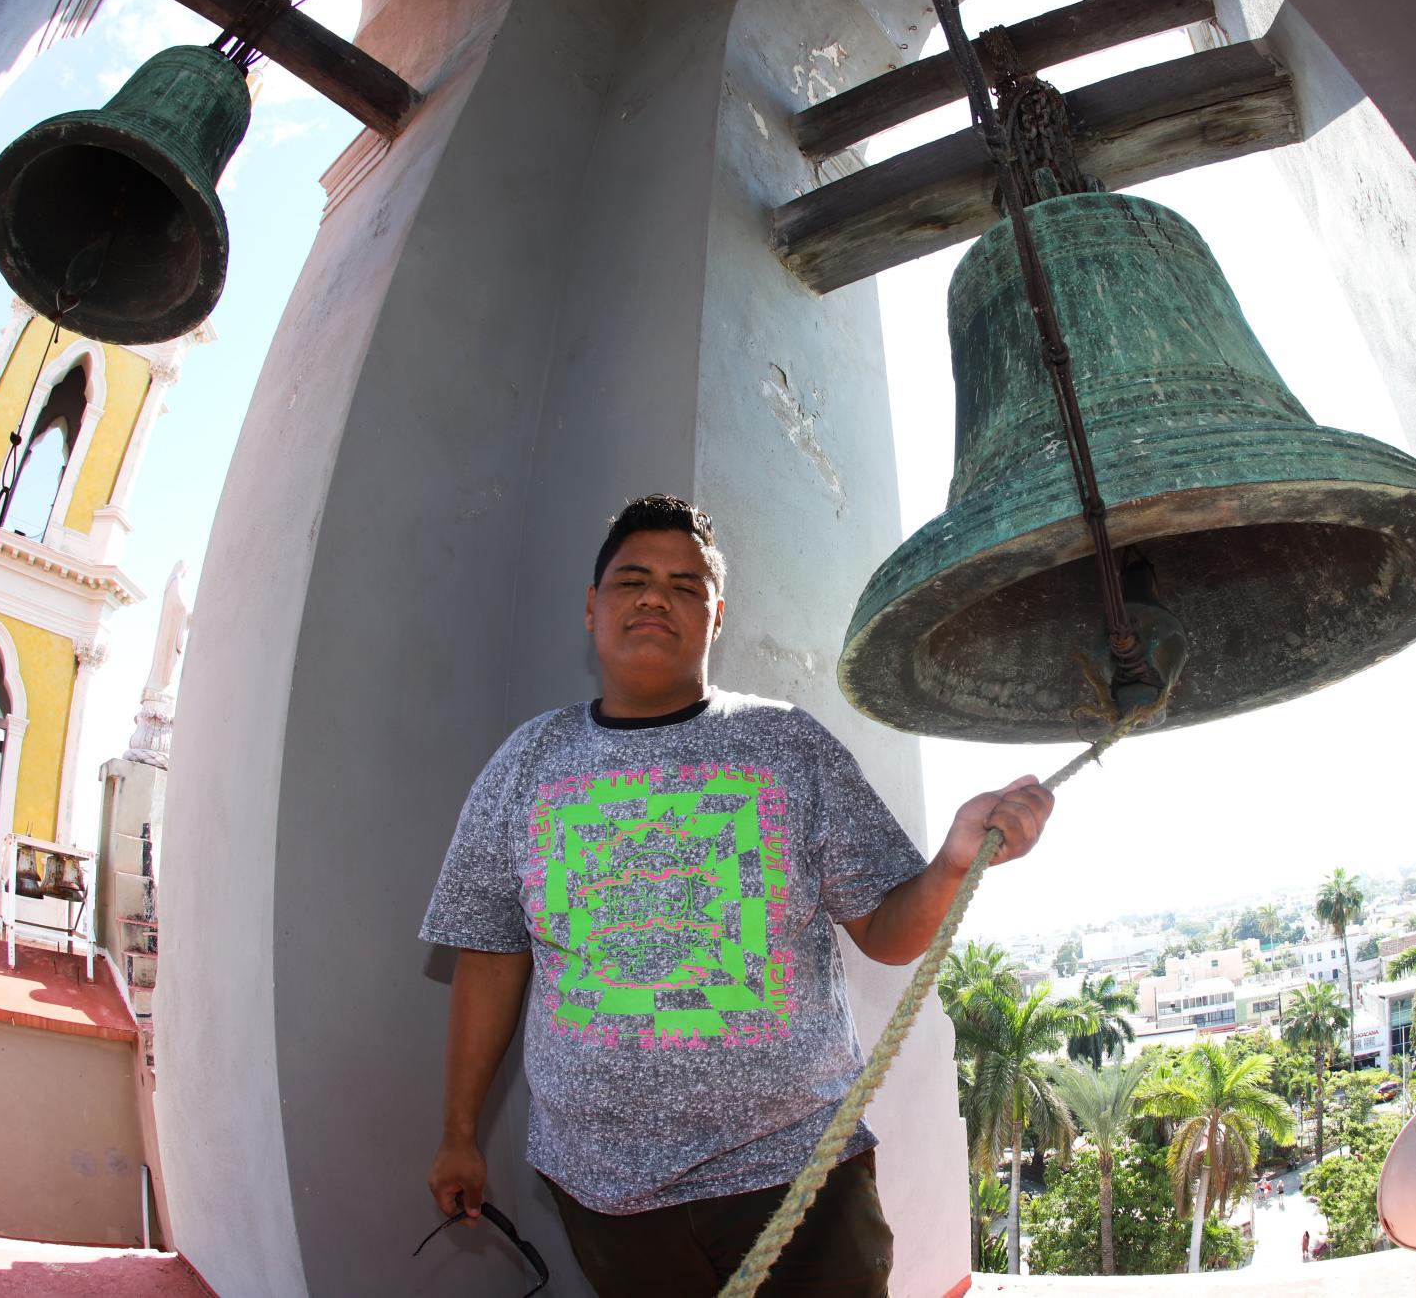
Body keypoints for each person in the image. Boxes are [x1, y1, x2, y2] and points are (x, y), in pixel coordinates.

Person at [422, 495, 1055, 1297]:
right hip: (604, 1195)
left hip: (797, 1182)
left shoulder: (788, 744)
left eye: (687, 586)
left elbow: (888, 933)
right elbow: (492, 959)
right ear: (591, 607)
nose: (656, 597)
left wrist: (953, 863)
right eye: (633, 580)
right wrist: (458, 1133)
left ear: (717, 617)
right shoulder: (524, 763)